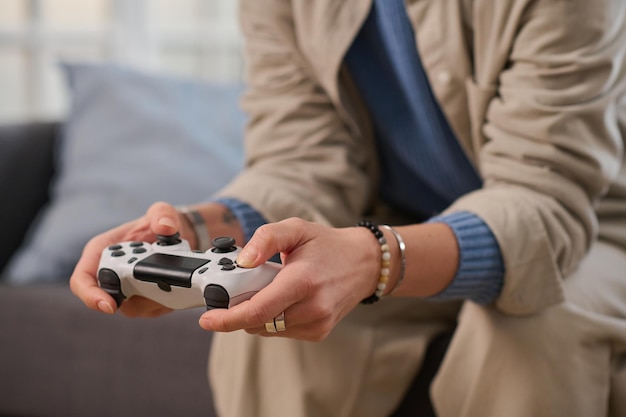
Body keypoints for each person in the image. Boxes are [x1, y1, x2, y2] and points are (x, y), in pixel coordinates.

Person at [70, 0, 626, 416]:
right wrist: (198, 227)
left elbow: (543, 198)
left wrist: (374, 259)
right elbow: (301, 155)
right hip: (389, 216)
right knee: (271, 321)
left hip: (594, 223)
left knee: (531, 332)